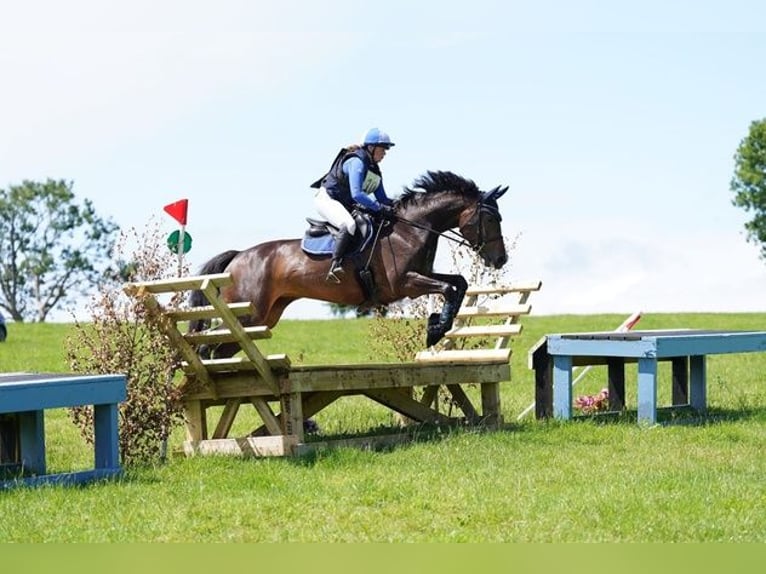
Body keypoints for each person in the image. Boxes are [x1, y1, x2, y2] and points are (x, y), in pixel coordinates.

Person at [310, 127, 396, 283]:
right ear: (371, 147)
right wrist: (378, 208)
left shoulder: (374, 170)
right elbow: (357, 194)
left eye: (386, 150)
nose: (385, 153)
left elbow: (383, 199)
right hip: (327, 199)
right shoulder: (357, 162)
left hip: (344, 204)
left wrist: (399, 206)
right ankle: (335, 265)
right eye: (383, 149)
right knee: (349, 224)